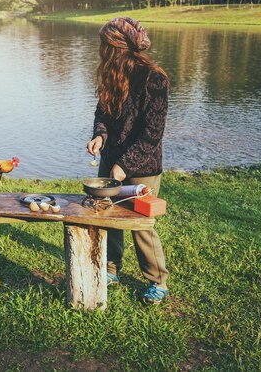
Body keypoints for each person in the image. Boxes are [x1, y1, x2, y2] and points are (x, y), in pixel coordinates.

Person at [86, 17, 170, 304]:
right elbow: (102, 114)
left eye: (104, 44)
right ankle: (110, 269)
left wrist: (124, 166)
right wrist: (100, 136)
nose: (100, 49)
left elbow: (152, 134)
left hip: (143, 167)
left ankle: (157, 281)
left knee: (140, 224)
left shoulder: (154, 79)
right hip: (110, 160)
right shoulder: (110, 74)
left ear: (117, 47)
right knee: (108, 218)